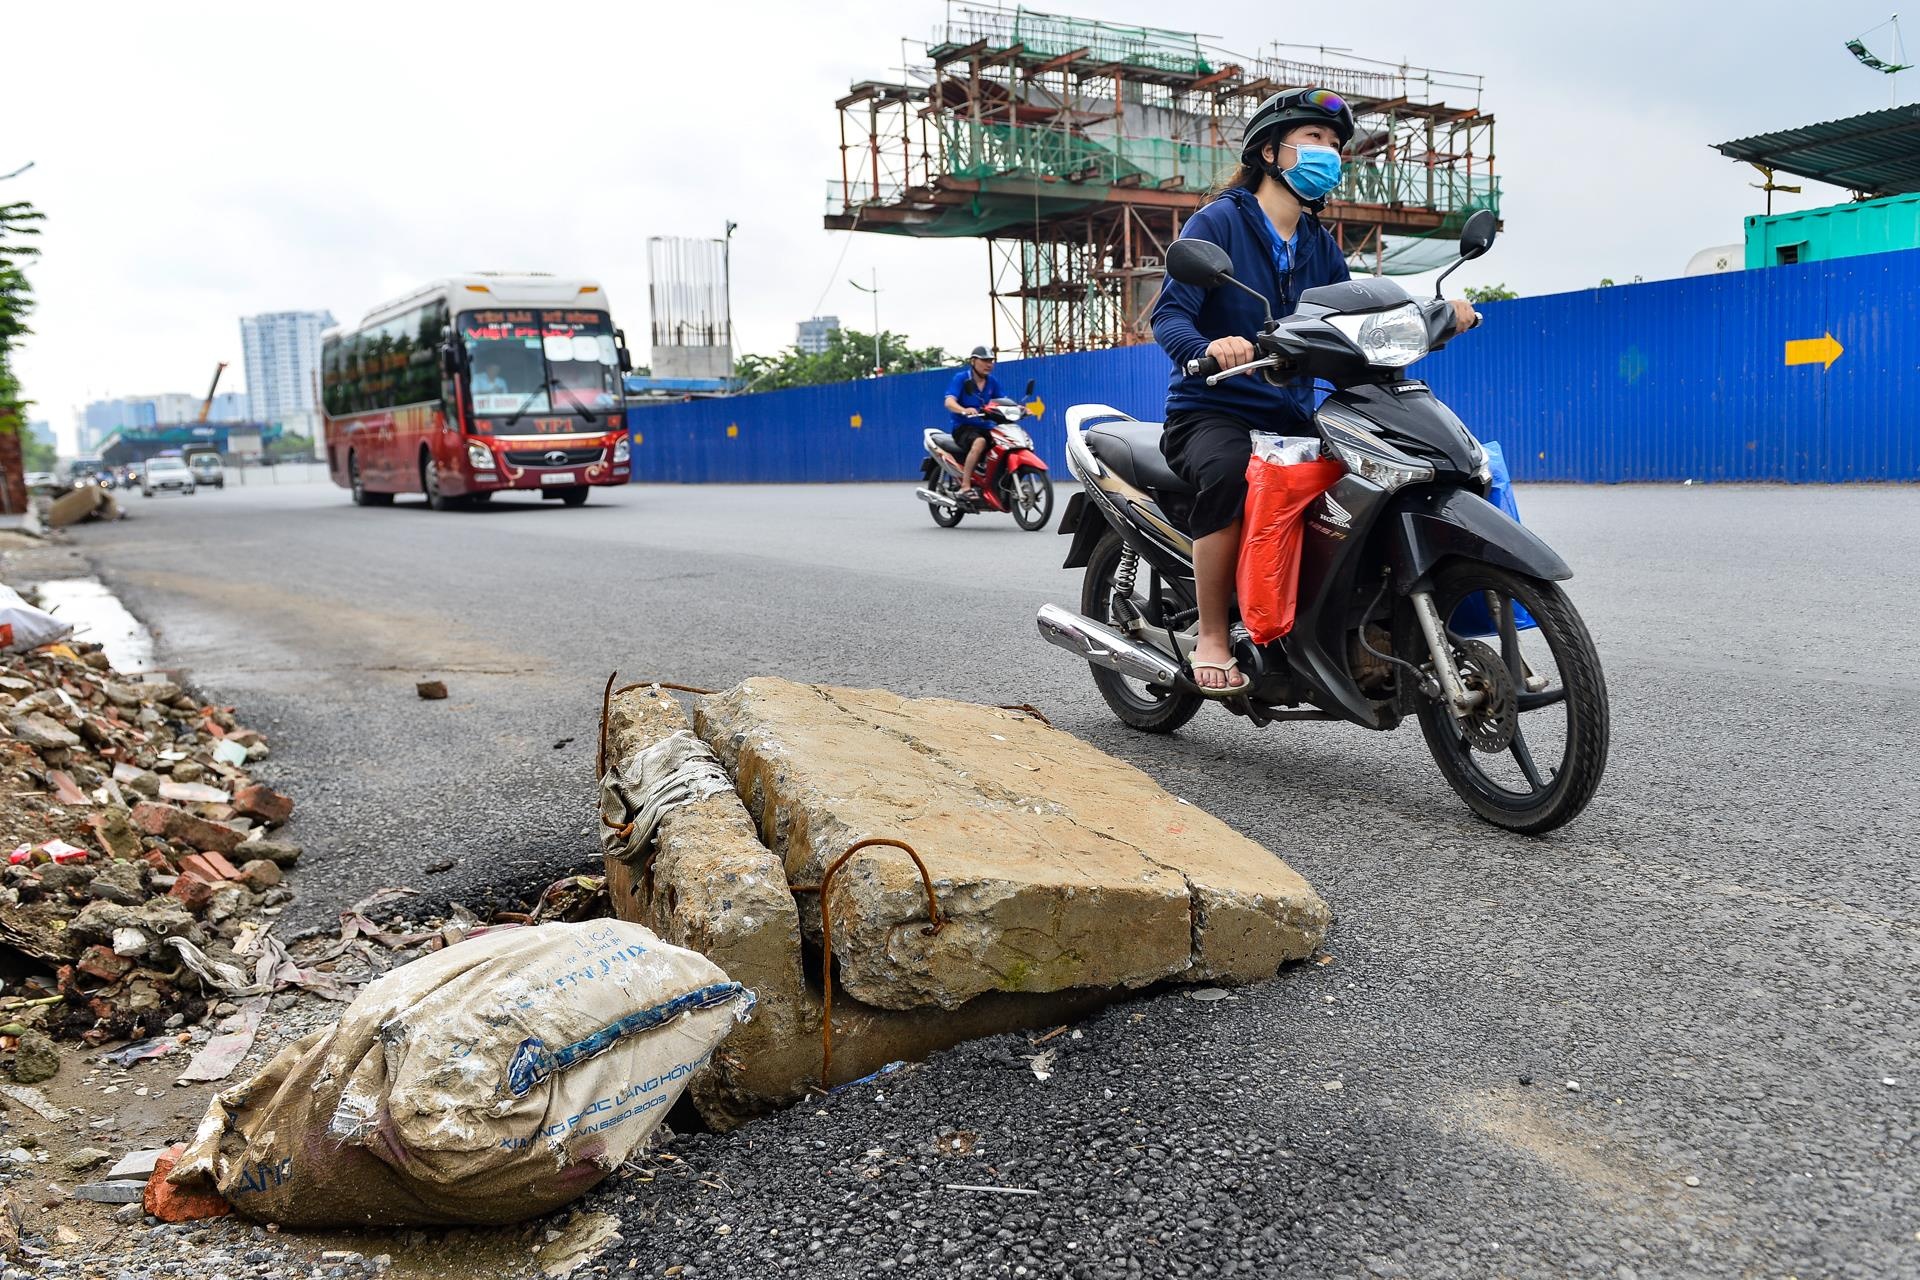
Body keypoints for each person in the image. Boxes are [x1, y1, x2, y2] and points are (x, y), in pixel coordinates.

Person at [1152, 87, 1477, 696]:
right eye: (1314, 140)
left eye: (1333, 144)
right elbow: (1169, 316)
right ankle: (1216, 635)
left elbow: (1351, 318)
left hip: (1294, 411)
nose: (1328, 152)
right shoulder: (1219, 221)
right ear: (1271, 151)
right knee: (1227, 475)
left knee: (1374, 478)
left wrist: (1434, 316)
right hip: (1214, 409)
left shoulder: (1319, 243)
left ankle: (1361, 626)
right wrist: (1208, 349)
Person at [941, 345, 1002, 499]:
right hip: (963, 426)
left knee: (1003, 442)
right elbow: (949, 402)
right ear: (973, 361)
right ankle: (965, 486)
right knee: (980, 442)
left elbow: (1002, 400)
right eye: (985, 360)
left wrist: (1020, 409)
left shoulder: (992, 381)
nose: (989, 364)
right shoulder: (961, 379)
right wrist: (964, 410)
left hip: (986, 426)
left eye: (991, 361)